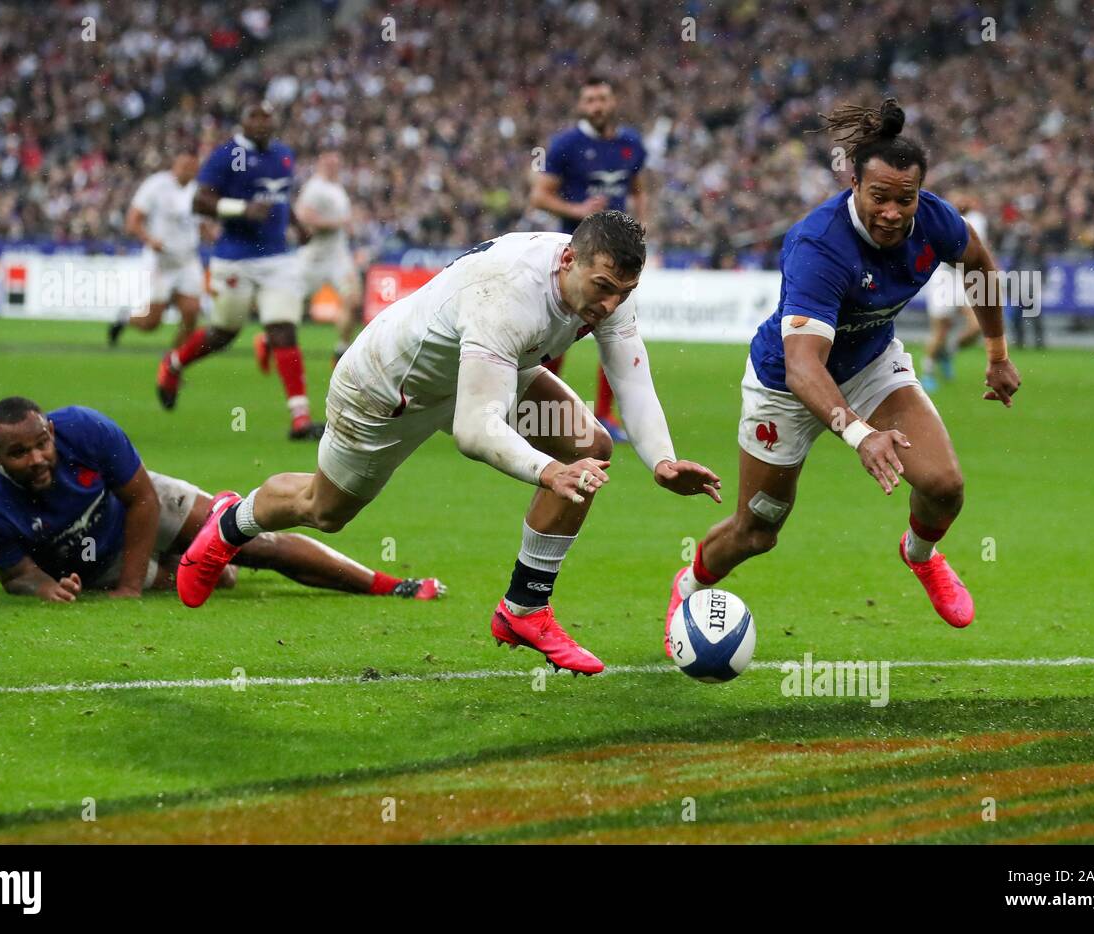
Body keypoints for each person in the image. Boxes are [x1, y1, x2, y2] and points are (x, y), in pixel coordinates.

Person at [176, 212, 721, 675]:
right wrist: (544, 472)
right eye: (602, 289)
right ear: (567, 261)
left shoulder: (604, 283)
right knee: (324, 510)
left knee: (587, 446)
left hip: (490, 370)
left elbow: (632, 380)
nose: (608, 305)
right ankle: (231, 521)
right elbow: (475, 429)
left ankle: (524, 606)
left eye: (622, 293)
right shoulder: (509, 293)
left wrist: (663, 461)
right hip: (389, 388)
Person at [665, 99, 1021, 655]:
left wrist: (996, 353)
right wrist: (859, 434)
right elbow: (805, 366)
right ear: (854, 183)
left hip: (872, 366)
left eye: (905, 199)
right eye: (879, 197)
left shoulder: (934, 220)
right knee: (758, 530)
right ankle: (687, 588)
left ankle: (920, 556)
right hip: (785, 386)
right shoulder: (819, 246)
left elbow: (979, 263)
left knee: (944, 485)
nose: (892, 213)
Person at [0, 397, 444, 603]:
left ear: (51, 430)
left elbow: (143, 499)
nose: (38, 458)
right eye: (19, 453)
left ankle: (388, 584)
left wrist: (131, 588)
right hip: (89, 563)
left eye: (42, 442)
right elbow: (17, 575)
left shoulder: (84, 428)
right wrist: (46, 588)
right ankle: (193, 564)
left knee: (259, 542)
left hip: (132, 511)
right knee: (218, 580)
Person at [155, 102, 326, 440]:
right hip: (235, 257)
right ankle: (174, 363)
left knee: (284, 331)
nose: (262, 122)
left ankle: (300, 418)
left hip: (277, 258)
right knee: (225, 332)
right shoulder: (225, 156)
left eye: (267, 116)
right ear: (242, 121)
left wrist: (298, 226)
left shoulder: (283, 154)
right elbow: (199, 202)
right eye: (254, 116)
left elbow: (279, 197)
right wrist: (240, 208)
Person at [529, 76, 649, 444]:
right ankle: (541, 410)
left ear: (614, 102)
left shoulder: (631, 144)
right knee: (556, 334)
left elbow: (638, 190)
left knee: (614, 335)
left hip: (618, 257)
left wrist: (641, 224)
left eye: (602, 98)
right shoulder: (566, 145)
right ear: (581, 105)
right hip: (575, 255)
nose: (596, 105)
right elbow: (539, 196)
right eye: (589, 99)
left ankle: (605, 415)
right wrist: (577, 208)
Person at [109, 152, 205, 349]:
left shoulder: (198, 191)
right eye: (184, 165)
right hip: (160, 262)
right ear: (175, 165)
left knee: (191, 312)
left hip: (187, 260)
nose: (188, 170)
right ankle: (125, 318)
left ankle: (173, 363)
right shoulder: (156, 185)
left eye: (192, 166)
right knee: (151, 323)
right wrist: (149, 240)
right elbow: (133, 221)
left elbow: (199, 225)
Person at [285, 150, 362, 367]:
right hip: (315, 256)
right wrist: (335, 223)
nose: (334, 166)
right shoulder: (314, 187)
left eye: (336, 162)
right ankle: (268, 341)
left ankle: (341, 350)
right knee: (292, 305)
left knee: (353, 299)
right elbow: (303, 216)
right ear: (321, 162)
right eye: (329, 162)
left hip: (338, 255)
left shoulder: (336, 188)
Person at [919, 192, 988, 390]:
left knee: (977, 326)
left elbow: (982, 247)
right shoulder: (941, 219)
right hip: (943, 278)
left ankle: (947, 352)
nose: (963, 201)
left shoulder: (978, 220)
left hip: (966, 277)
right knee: (940, 330)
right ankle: (928, 370)